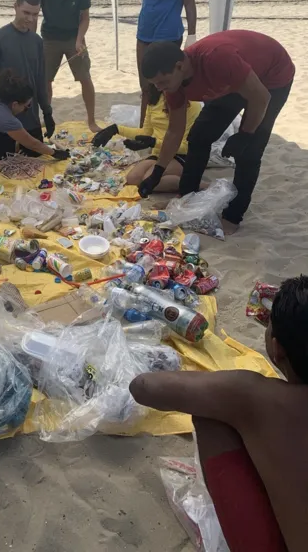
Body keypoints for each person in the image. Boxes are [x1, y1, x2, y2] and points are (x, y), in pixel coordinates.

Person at [130, 274, 308, 552]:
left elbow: (143, 387)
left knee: (212, 414)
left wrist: (241, 389)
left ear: (276, 347)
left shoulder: (258, 398)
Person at [137, 30, 295, 232]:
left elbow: (261, 97)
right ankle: (186, 198)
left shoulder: (217, 59)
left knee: (249, 153)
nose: (160, 89)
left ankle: (232, 216)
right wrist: (157, 172)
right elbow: (175, 131)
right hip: (233, 80)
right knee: (199, 136)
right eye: (155, 84)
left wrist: (245, 134)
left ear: (180, 66)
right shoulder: (173, 85)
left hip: (272, 77)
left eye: (163, 82)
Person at [0, 0, 54, 156]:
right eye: (26, 13)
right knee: (0, 162)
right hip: (4, 116)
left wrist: (47, 112)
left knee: (37, 162)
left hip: (31, 116)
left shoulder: (37, 41)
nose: (30, 19)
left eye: (35, 14)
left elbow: (41, 80)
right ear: (15, 7)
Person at [34, 0, 99, 132]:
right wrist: (32, 40)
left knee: (85, 78)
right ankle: (47, 116)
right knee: (45, 80)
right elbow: (34, 15)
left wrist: (79, 40)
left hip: (74, 35)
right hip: (49, 37)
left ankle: (92, 120)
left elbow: (85, 17)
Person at [92, 88, 201, 193]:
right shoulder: (154, 100)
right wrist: (115, 129)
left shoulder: (191, 105)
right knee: (133, 178)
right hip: (159, 153)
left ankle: (194, 183)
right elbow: (146, 132)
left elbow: (185, 146)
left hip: (180, 155)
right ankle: (175, 178)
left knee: (148, 179)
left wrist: (154, 142)